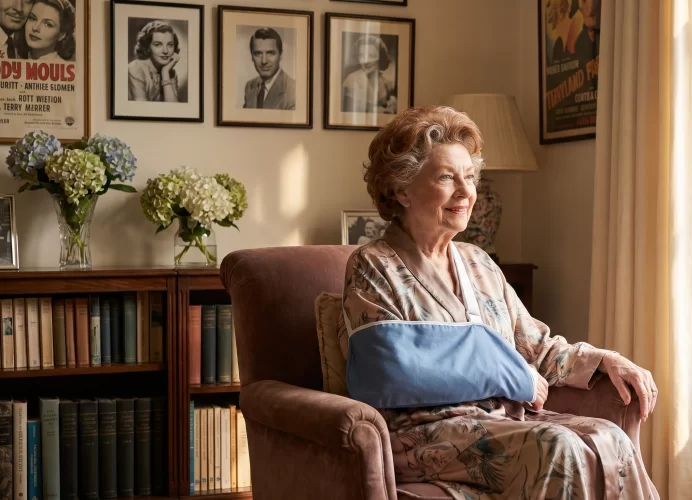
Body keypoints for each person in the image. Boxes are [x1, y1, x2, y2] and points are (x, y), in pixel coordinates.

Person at [343, 106, 660, 499]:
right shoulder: (373, 264)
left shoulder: (478, 263)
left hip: (503, 424)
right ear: (402, 189)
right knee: (558, 446)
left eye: (470, 177)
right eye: (446, 177)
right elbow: (386, 371)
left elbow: (536, 347)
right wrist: (511, 374)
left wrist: (602, 358)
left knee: (609, 437)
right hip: (420, 437)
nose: (465, 192)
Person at [341, 34, 396, 114]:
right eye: (361, 55)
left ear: (380, 57)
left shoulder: (387, 83)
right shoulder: (351, 80)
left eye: (371, 55)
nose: (365, 61)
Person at [127, 20, 181, 102]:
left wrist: (165, 72)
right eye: (158, 44)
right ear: (148, 47)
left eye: (170, 45)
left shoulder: (171, 73)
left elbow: (174, 110)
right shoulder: (135, 69)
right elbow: (139, 111)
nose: (165, 51)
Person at [243, 28, 295, 110]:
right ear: (252, 56)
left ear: (280, 55)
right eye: (258, 54)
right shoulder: (249, 86)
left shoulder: (293, 91)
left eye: (270, 53)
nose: (264, 61)